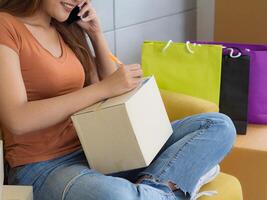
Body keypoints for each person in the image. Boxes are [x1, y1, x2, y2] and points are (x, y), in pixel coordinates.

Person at [0, 0, 236, 199]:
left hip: (98, 151)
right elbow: (17, 119)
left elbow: (114, 88)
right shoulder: (6, 26)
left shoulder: (65, 29)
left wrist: (95, 33)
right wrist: (103, 89)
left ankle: (155, 189)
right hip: (44, 167)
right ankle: (175, 183)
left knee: (219, 126)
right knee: (118, 196)